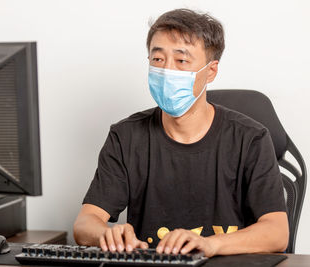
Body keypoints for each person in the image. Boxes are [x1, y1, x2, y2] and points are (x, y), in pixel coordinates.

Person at [73, 8, 288, 257]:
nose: (167, 71)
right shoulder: (126, 137)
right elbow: (85, 223)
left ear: (210, 71)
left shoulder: (251, 139)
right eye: (158, 59)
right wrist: (106, 234)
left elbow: (277, 232)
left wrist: (210, 244)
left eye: (182, 60)